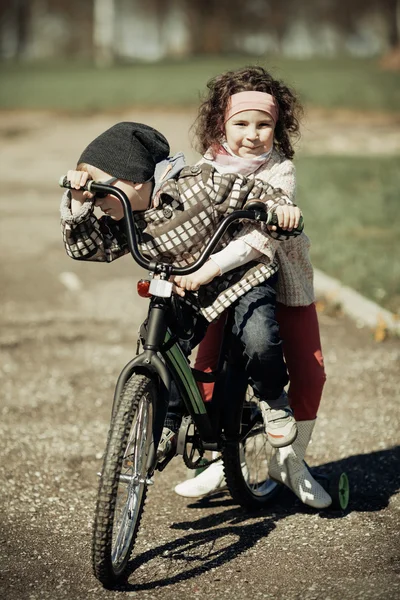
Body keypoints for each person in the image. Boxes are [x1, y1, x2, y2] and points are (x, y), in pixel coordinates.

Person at [59, 121, 301, 458]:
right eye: (91, 195)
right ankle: (165, 423)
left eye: (99, 192)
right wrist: (76, 199)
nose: (96, 201)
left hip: (240, 276)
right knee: (159, 342)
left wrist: (279, 210)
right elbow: (86, 248)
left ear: (134, 178)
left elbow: (253, 192)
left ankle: (273, 398)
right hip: (184, 285)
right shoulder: (127, 215)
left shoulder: (198, 185)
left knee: (259, 338)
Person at [173, 66, 331, 510]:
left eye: (264, 124)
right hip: (223, 280)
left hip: (283, 277)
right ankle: (226, 460)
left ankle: (290, 462)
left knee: (308, 370)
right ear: (220, 124)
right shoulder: (205, 167)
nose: (253, 134)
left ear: (277, 127)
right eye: (241, 123)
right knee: (210, 365)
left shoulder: (280, 170)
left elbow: (259, 241)